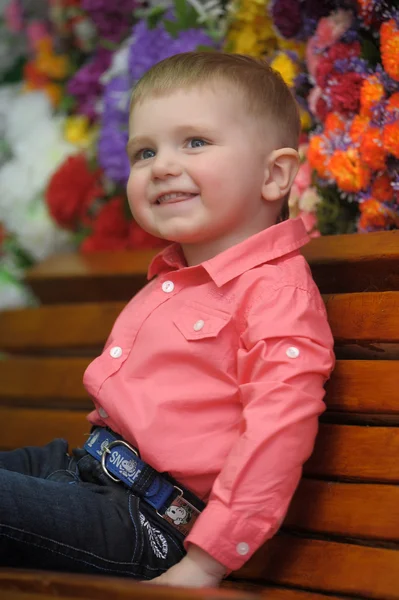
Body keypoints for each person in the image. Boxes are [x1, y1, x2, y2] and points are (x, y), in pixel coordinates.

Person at [0, 52, 335, 588]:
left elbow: (276, 433)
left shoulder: (276, 295)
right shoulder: (175, 277)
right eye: (144, 151)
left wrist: (205, 564)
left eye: (195, 142)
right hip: (84, 472)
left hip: (147, 520)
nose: (161, 165)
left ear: (274, 174)